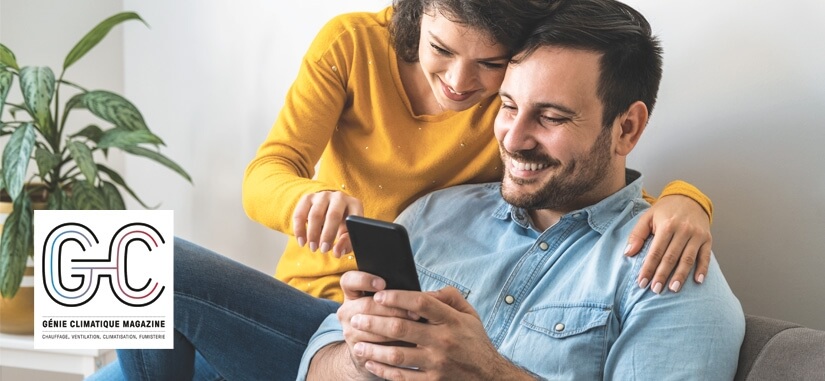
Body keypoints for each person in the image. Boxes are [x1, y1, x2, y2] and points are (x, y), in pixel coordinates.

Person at [109, 0, 744, 379]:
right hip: (307, 313)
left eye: (549, 117)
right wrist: (360, 341)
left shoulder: (666, 271)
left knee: (124, 273)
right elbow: (320, 360)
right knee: (118, 267)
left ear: (627, 125)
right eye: (510, 107)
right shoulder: (436, 212)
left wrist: (486, 372)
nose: (513, 139)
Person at [243, 0, 715, 303]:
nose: (459, 82)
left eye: (490, 64)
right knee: (165, 289)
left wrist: (686, 198)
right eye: (440, 49)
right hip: (309, 300)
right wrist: (310, 200)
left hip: (394, 317)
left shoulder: (512, 106)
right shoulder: (352, 46)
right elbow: (268, 170)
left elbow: (582, 170)